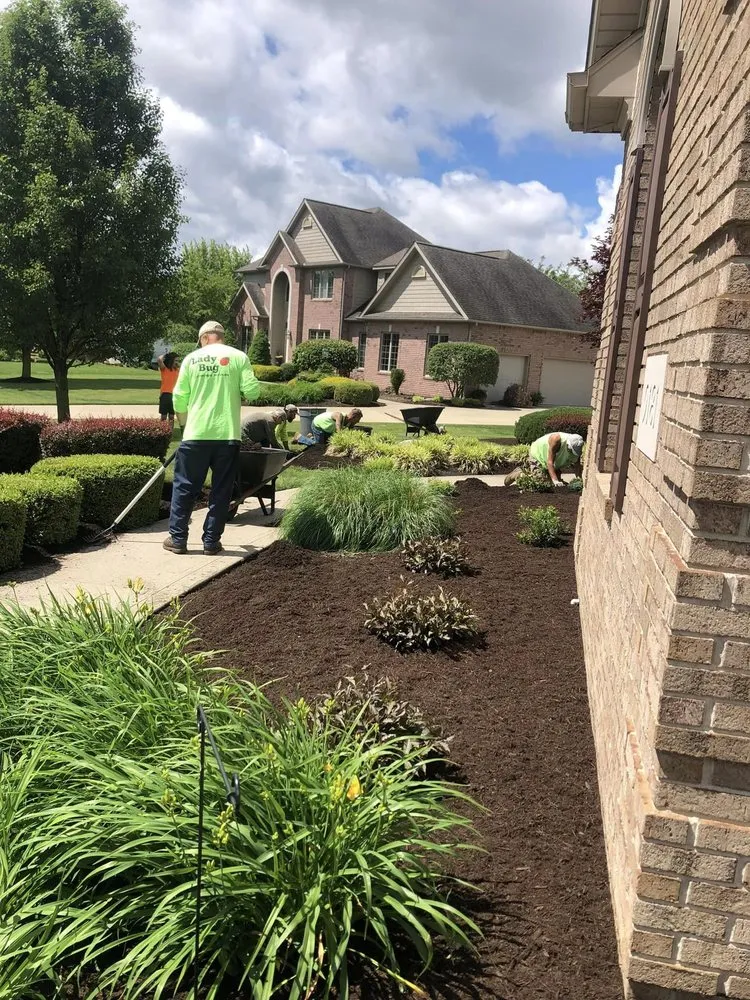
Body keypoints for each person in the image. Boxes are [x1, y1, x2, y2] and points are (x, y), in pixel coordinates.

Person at [164, 320, 261, 556]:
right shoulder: (238, 357)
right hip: (227, 436)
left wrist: (185, 424)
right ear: (220, 336)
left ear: (204, 337)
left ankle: (178, 539)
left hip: (195, 435)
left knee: (185, 487)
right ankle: (211, 542)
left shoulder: (191, 359)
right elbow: (254, 391)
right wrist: (238, 389)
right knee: (221, 490)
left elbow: (178, 398)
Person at [504, 431, 584, 488]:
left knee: (552, 486)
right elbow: (550, 462)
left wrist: (580, 481)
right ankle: (518, 474)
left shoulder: (577, 447)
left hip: (556, 461)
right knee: (539, 483)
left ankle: (549, 479)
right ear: (568, 445)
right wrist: (555, 480)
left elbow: (577, 466)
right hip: (538, 454)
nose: (573, 453)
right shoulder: (556, 439)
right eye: (571, 450)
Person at [294, 408, 363, 447]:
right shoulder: (339, 415)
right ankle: (300, 438)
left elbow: (350, 432)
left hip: (328, 430)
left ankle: (311, 437)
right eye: (358, 419)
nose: (358, 421)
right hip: (318, 426)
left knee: (328, 444)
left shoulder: (350, 422)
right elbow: (338, 426)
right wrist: (341, 439)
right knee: (319, 446)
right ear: (353, 417)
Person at [157, 351, 180, 426]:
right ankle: (163, 431)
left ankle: (170, 432)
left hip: (174, 395)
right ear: (171, 360)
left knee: (171, 416)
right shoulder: (164, 369)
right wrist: (166, 354)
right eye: (175, 360)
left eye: (178, 360)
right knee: (163, 416)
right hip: (165, 395)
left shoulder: (177, 370)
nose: (177, 362)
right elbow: (159, 359)